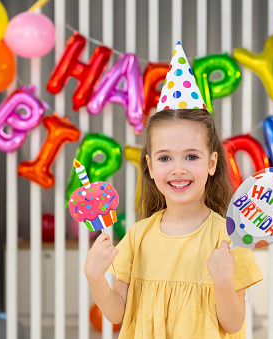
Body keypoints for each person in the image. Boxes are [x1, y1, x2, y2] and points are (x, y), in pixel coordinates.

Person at [85, 42, 263, 338]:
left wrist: (222, 281)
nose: (178, 169)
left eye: (191, 156)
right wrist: (94, 276)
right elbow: (118, 313)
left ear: (212, 162)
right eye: (165, 158)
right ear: (151, 167)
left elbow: (232, 324)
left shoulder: (228, 238)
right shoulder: (138, 236)